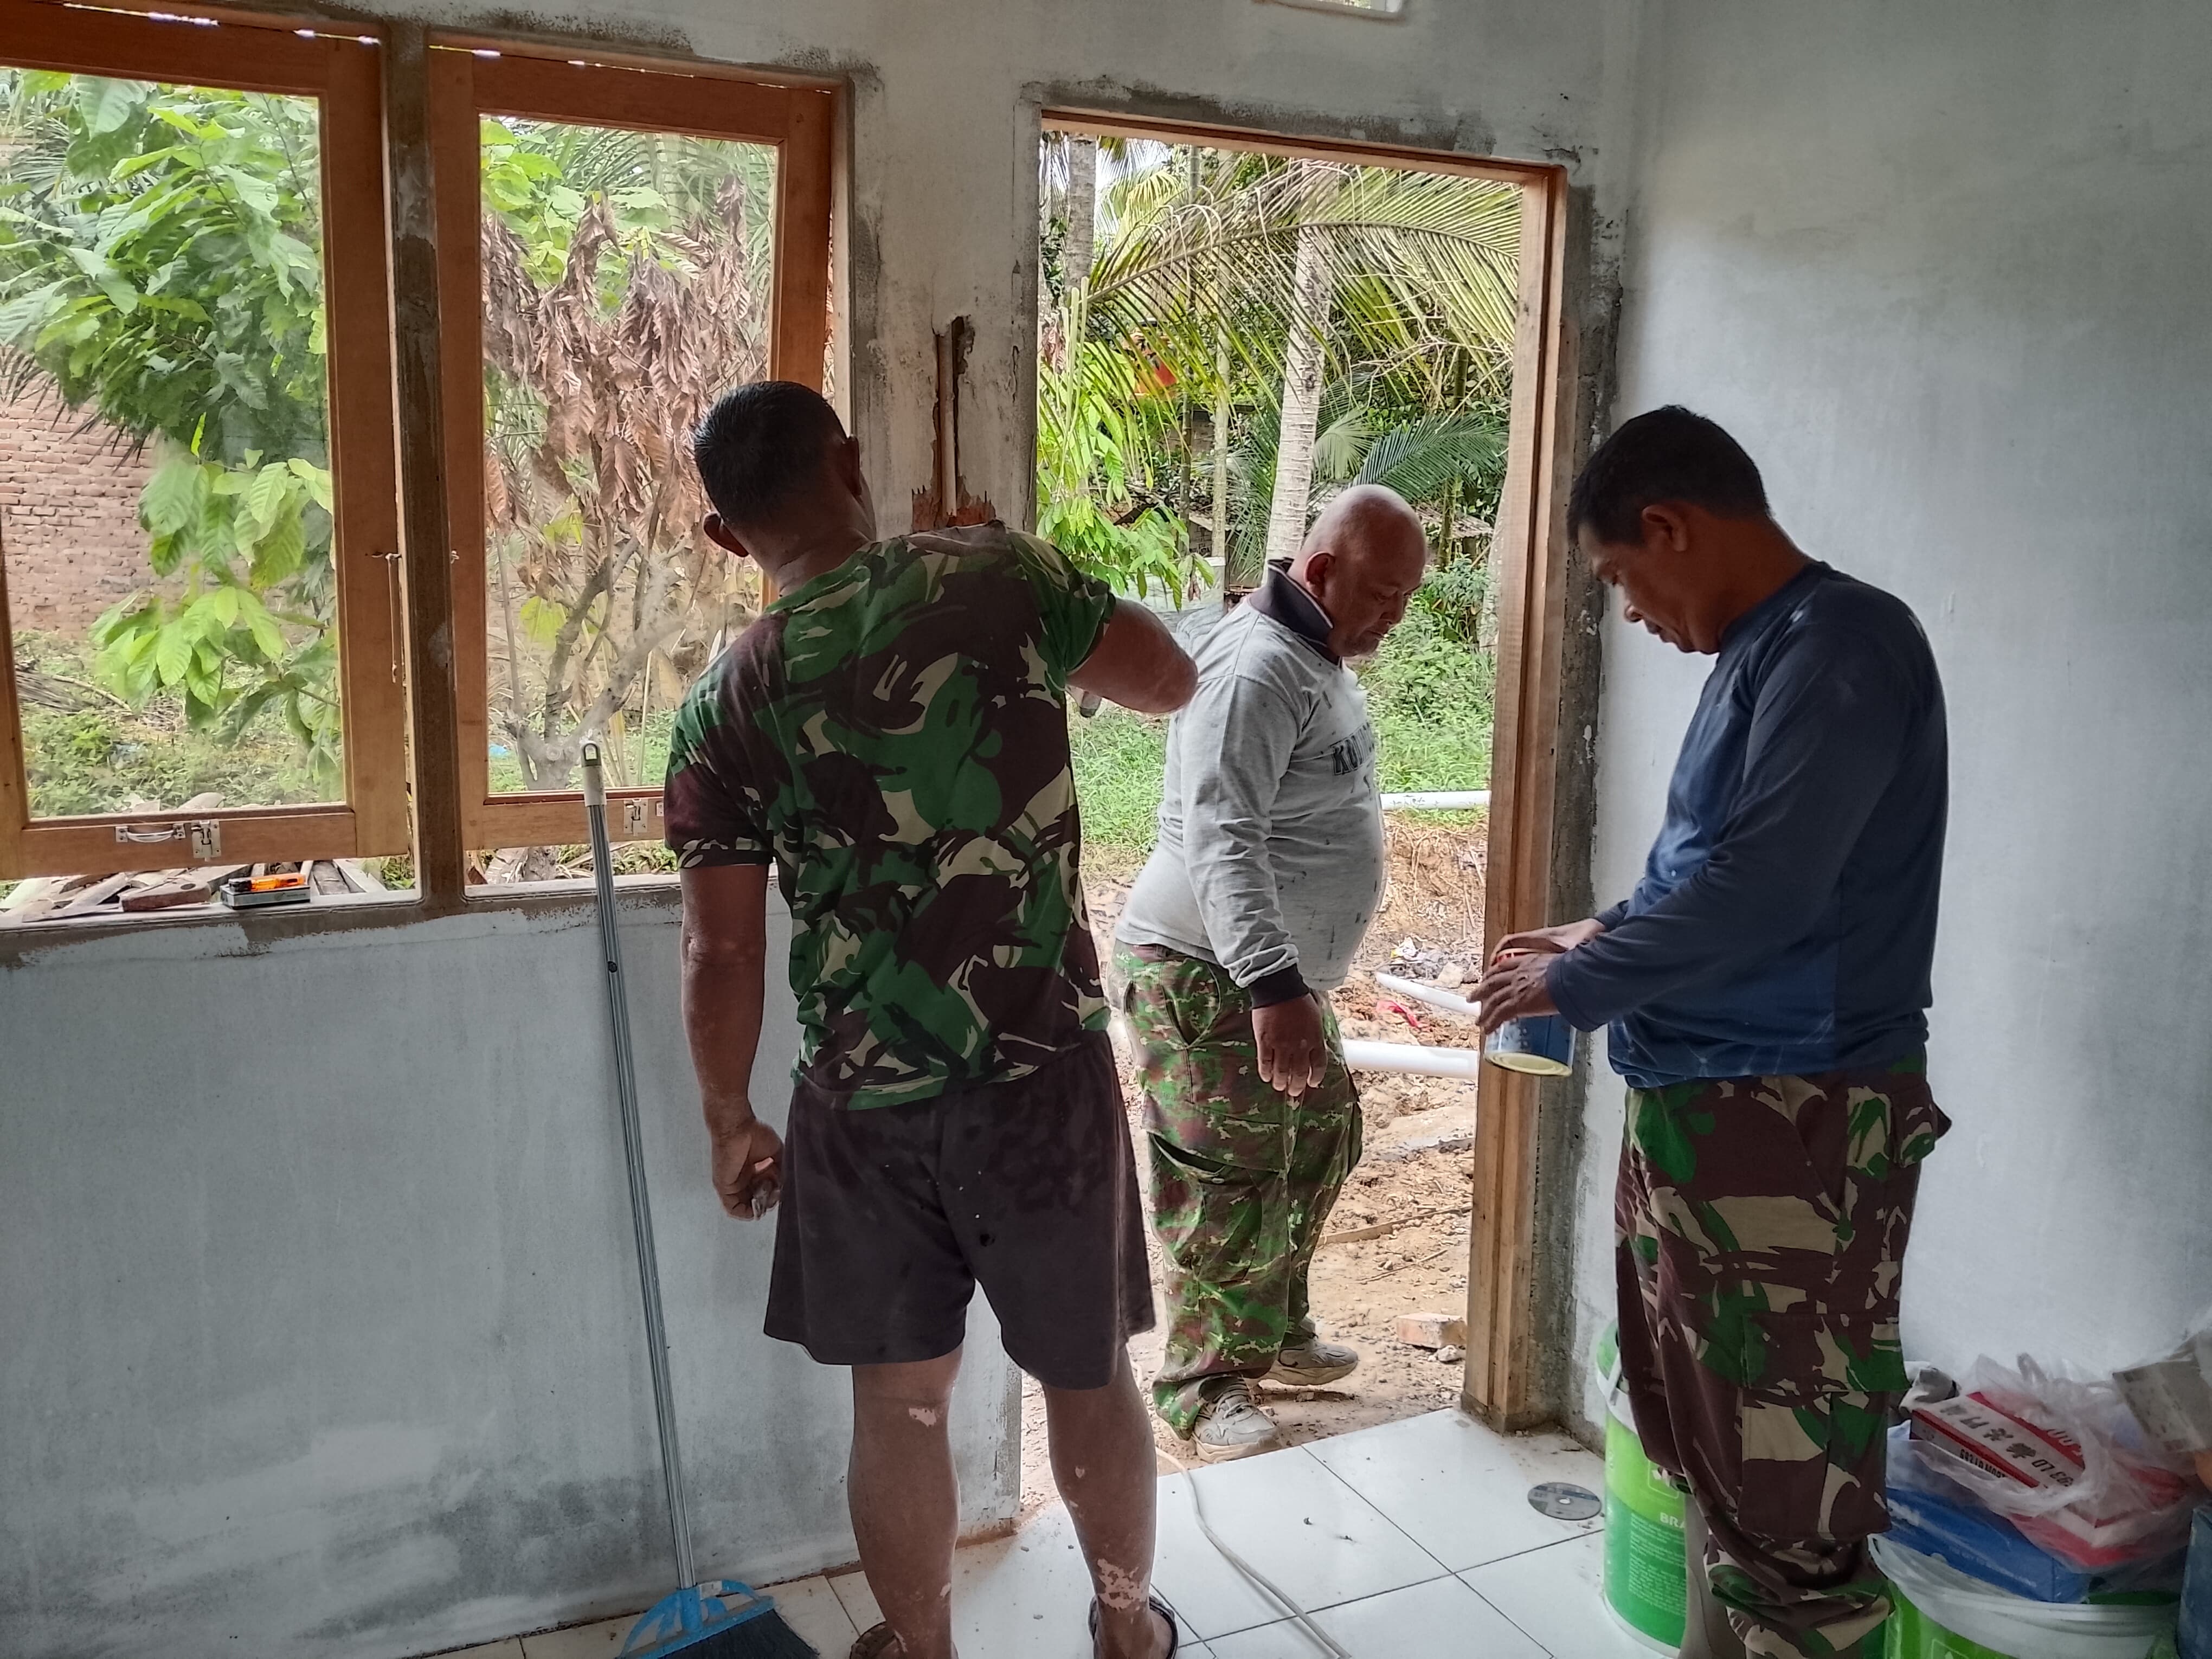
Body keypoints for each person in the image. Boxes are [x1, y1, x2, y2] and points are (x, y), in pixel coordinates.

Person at [664, 381, 1198, 1659]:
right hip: (1041, 1078)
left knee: (899, 1407)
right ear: (851, 463)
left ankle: (922, 1649)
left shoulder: (724, 704)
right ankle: (1127, 1629)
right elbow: (1171, 679)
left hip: (862, 1106)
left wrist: (730, 1117)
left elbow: (721, 948)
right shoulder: (998, 576)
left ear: (728, 535)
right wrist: (1023, 586)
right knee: (1087, 1378)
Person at [1475, 407, 1950, 1659]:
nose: (1630, 610)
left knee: (1787, 1491)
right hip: (1713, 1111)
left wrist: (1582, 982)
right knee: (1710, 1448)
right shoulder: (1763, 653)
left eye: (1619, 576)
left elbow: (1770, 891)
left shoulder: (1843, 645)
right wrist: (1599, 932)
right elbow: (1709, 870)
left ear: (1669, 527)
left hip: (1793, 1127)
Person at [1114, 485, 1431, 1460]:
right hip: (1210, 970)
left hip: (1271, 972)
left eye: (1407, 597)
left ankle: (1274, 1325)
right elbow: (1223, 837)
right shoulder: (1256, 668)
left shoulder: (1310, 652)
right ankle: (1203, 1384)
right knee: (1227, 1178)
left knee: (1320, 1137)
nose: (1395, 616)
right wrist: (1271, 985)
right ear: (1322, 572)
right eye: (1382, 594)